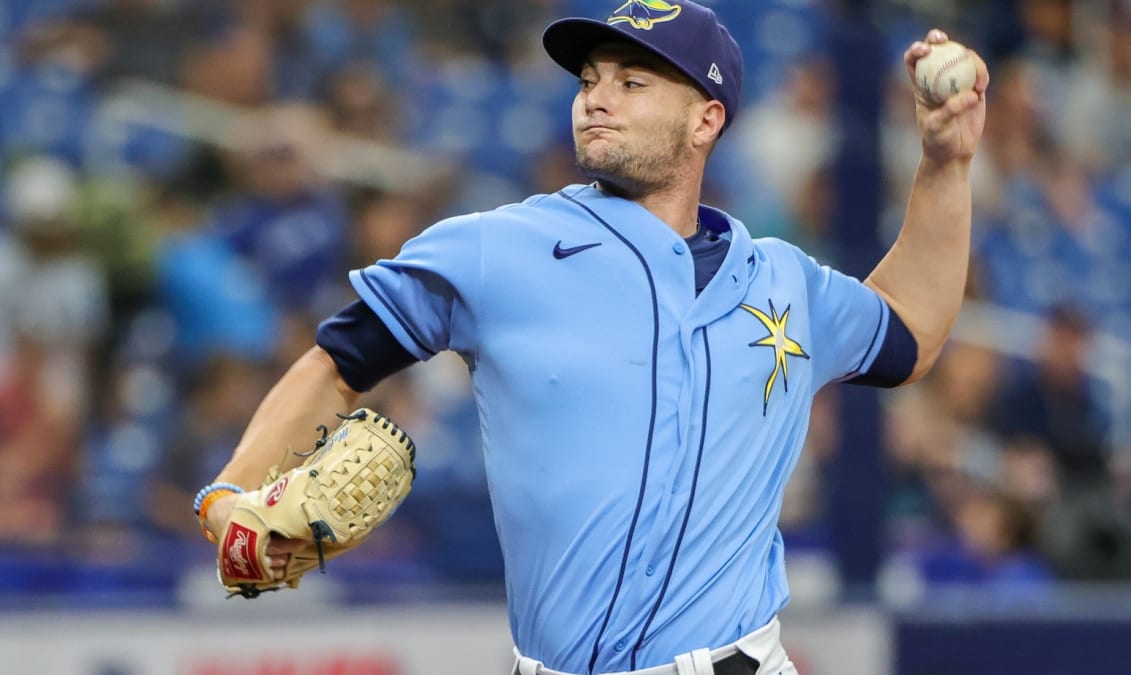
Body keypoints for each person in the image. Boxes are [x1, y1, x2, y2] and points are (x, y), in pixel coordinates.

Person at [196, 2, 989, 674]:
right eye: (588, 80)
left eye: (632, 81)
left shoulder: (784, 280)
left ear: (706, 118)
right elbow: (336, 361)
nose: (596, 98)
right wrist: (228, 496)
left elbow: (909, 330)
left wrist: (945, 162)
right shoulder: (494, 248)